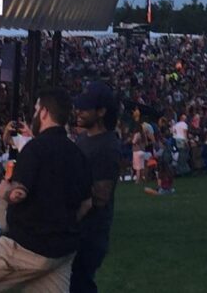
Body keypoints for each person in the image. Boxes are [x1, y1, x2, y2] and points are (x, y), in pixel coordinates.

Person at [0, 87, 91, 293]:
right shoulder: (77, 153)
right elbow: (87, 203)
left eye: (35, 110)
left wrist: (4, 191)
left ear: (44, 112)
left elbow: (18, 193)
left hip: (27, 246)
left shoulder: (35, 149)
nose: (34, 115)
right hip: (62, 251)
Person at [71, 81, 121, 293]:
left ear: (101, 112)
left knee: (80, 285)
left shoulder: (107, 146)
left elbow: (100, 197)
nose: (78, 111)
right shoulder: (83, 138)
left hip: (89, 233)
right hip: (76, 230)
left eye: (85, 108)